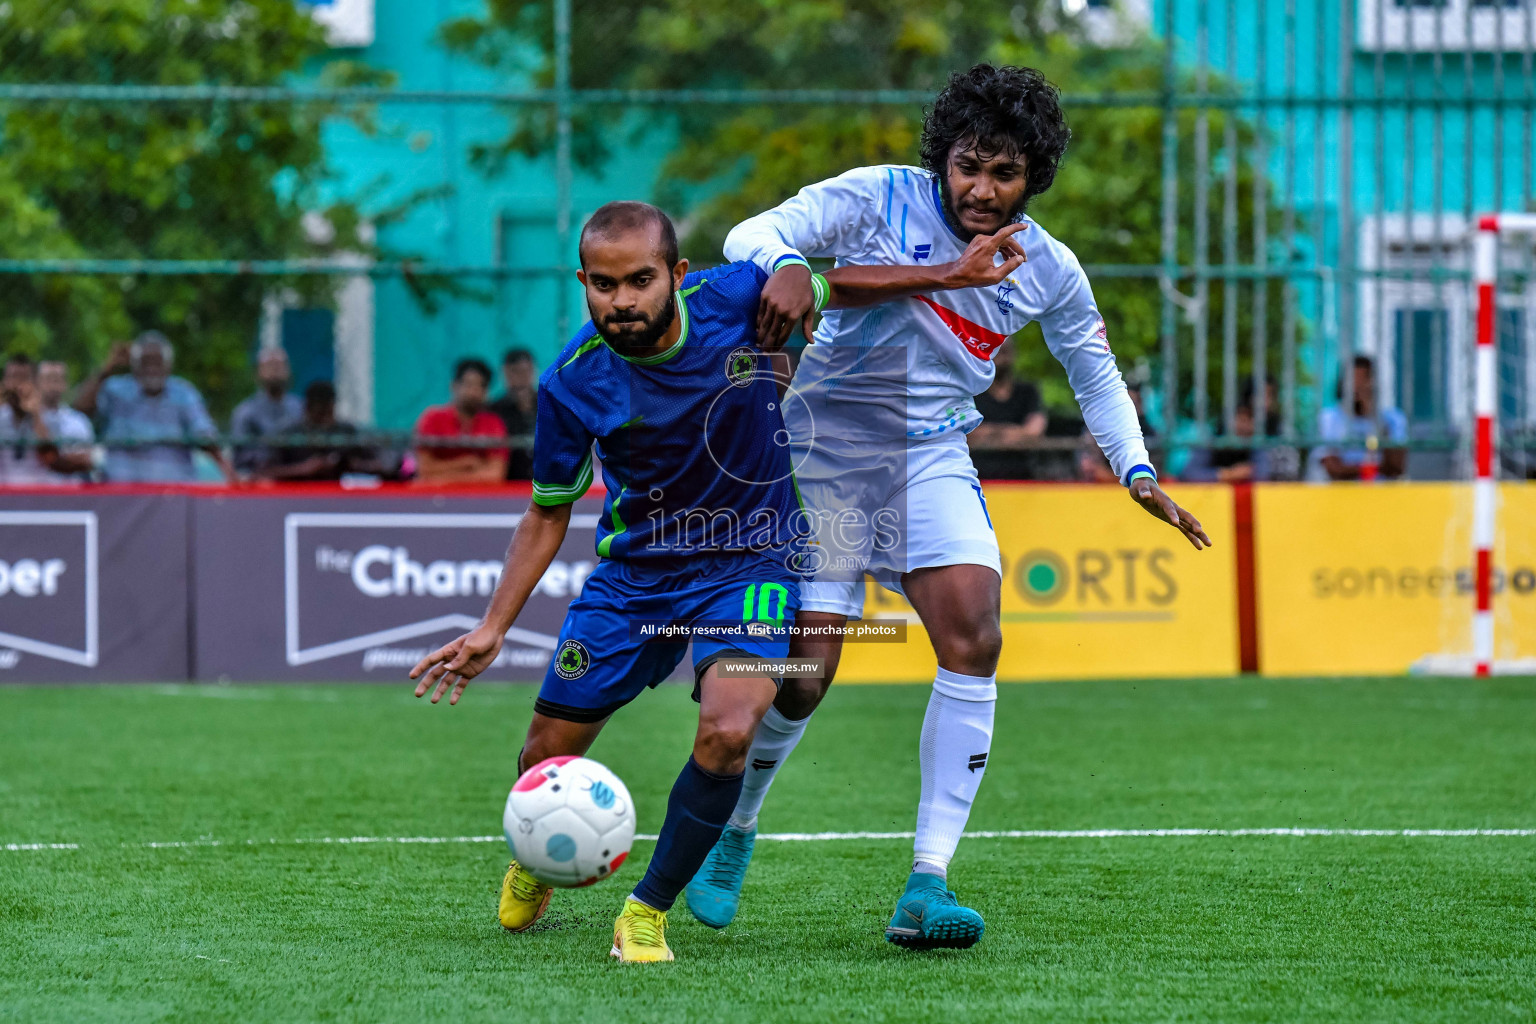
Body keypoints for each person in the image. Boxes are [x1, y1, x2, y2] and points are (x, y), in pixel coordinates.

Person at [407, 201, 1019, 964]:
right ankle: (541, 853)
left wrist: (938, 273)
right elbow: (546, 512)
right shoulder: (572, 384)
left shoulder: (733, 299)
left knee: (731, 729)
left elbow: (840, 283)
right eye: (603, 285)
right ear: (583, 282)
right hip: (636, 578)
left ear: (677, 276)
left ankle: (646, 911)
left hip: (751, 564)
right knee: (542, 760)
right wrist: (493, 627)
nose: (621, 301)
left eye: (639, 280)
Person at [692, 63, 1211, 949]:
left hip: (929, 454)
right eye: (969, 164)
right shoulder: (877, 198)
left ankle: (926, 883)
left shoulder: (1048, 266)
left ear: (1032, 178)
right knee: (807, 676)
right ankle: (730, 831)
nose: (981, 187)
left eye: (1005, 172)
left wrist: (1135, 468)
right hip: (820, 448)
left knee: (976, 630)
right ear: (945, 157)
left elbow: (1094, 368)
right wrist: (785, 262)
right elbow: (754, 231)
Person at [73, 332, 233, 483]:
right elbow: (79, 410)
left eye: (157, 362)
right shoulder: (115, 389)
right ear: (134, 366)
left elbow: (204, 434)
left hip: (172, 494)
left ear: (168, 366)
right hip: (120, 493)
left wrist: (226, 468)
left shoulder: (184, 394)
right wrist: (107, 368)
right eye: (145, 362)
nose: (151, 369)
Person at [1306, 355, 1408, 482]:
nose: (1358, 386)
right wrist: (1375, 469)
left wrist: (1375, 418)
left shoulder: (1393, 418)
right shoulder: (1328, 419)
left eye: (1364, 379)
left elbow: (1396, 468)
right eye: (1353, 380)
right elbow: (1334, 470)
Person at [259, 381, 385, 482]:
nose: (325, 421)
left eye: (329, 413)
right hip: (298, 496)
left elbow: (383, 465)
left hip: (341, 496)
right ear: (307, 409)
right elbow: (265, 471)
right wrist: (304, 469)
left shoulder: (346, 431)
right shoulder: (289, 433)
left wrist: (354, 466)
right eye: (320, 415)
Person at [0, 356, 95, 484]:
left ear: (35, 383)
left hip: (40, 493)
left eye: (23, 378)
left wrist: (35, 414)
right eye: (13, 377)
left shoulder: (50, 418)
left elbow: (52, 459)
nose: (17, 386)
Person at [413, 358, 509, 485]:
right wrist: (466, 463)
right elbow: (424, 470)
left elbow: (495, 475)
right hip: (435, 498)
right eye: (469, 384)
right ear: (453, 386)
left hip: (480, 500)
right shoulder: (432, 418)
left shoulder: (494, 423)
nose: (474, 392)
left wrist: (442, 479)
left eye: (481, 386)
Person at [966, 336, 1046, 478]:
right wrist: (1015, 433)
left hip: (1023, 476)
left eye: (1005, 352)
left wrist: (990, 433)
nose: (1001, 358)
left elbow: (1034, 431)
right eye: (997, 352)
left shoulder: (1027, 391)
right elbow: (967, 431)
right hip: (978, 474)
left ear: (1013, 354)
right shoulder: (973, 392)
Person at [230, 348, 303, 476]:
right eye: (269, 365)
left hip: (299, 480)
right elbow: (241, 459)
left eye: (280, 365)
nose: (275, 370)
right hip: (260, 482)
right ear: (257, 372)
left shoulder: (300, 407)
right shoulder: (245, 412)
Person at [1183, 398, 1270, 483]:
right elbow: (1189, 473)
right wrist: (1227, 474)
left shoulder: (1256, 443)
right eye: (1241, 420)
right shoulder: (1212, 442)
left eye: (1249, 421)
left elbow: (1264, 474)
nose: (1244, 427)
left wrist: (1247, 473)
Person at [488, 347, 537, 480]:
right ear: (505, 373)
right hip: (510, 483)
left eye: (526, 371)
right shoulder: (494, 409)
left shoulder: (547, 405)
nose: (522, 378)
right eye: (516, 372)